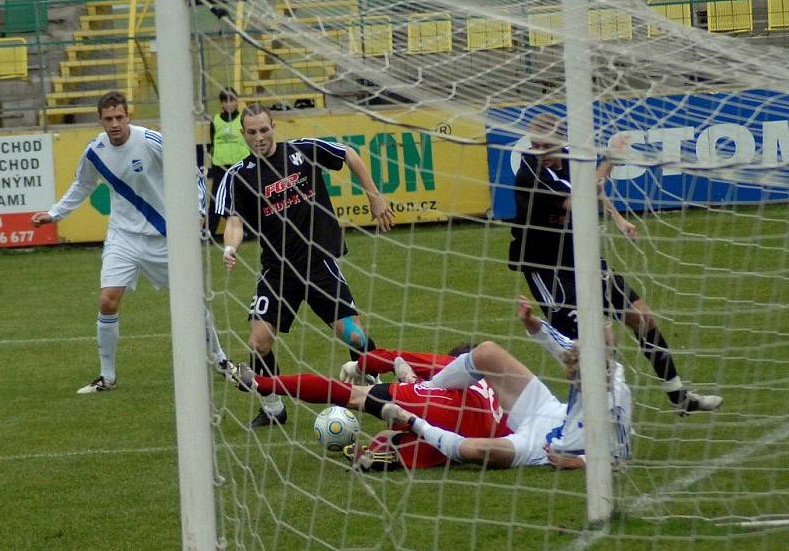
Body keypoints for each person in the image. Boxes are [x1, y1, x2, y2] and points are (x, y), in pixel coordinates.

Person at [231, 296, 631, 472]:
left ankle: (266, 384)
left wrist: (575, 461)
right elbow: (565, 349)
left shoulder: (616, 396)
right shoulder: (590, 364)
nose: (570, 370)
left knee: (471, 449)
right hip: (540, 415)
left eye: (574, 369)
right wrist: (537, 327)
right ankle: (386, 448)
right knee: (488, 354)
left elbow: (619, 457)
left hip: (537, 445)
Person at [508, 112, 722, 415]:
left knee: (642, 318)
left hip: (580, 255)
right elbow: (579, 197)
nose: (540, 151)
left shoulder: (569, 158)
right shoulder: (531, 175)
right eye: (536, 144)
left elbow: (589, 189)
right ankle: (587, 426)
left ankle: (679, 397)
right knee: (587, 347)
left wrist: (618, 218)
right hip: (547, 268)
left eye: (546, 145)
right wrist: (610, 159)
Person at [31, 90, 230, 393]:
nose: (114, 124)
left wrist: (199, 208)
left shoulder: (151, 140)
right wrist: (55, 213)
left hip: (165, 236)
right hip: (123, 237)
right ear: (100, 120)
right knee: (108, 299)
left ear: (128, 116)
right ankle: (107, 377)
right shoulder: (95, 152)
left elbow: (192, 173)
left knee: (191, 301)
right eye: (108, 119)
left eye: (119, 118)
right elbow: (82, 184)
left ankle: (219, 358)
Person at [215, 103, 395, 428]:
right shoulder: (238, 176)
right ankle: (273, 408)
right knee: (257, 341)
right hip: (277, 271)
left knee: (354, 337)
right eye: (252, 132)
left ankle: (375, 393)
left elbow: (350, 155)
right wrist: (230, 246)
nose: (259, 137)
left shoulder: (303, 151)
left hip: (318, 263)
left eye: (264, 129)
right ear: (243, 134)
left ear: (274, 127)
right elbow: (235, 221)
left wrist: (374, 195)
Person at [205, 88, 251, 239]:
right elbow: (212, 143)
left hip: (241, 165)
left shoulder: (244, 119)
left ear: (237, 100)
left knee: (247, 198)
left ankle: (250, 230)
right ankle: (209, 232)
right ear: (221, 104)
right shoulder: (216, 120)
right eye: (226, 101)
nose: (230, 104)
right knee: (216, 200)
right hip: (221, 166)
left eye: (232, 100)